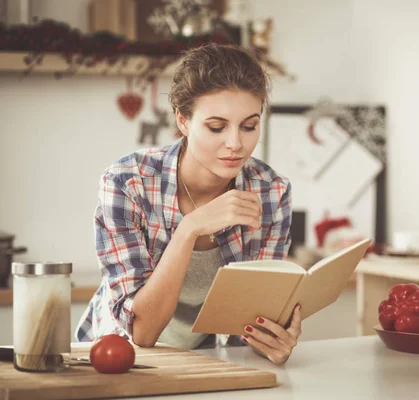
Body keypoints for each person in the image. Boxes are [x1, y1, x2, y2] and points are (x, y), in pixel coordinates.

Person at [75, 43, 300, 364]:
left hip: (206, 362)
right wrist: (190, 228)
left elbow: (250, 323)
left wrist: (274, 339)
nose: (235, 143)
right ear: (183, 121)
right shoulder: (127, 183)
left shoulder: (271, 192)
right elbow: (143, 332)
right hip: (118, 360)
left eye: (249, 126)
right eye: (216, 127)